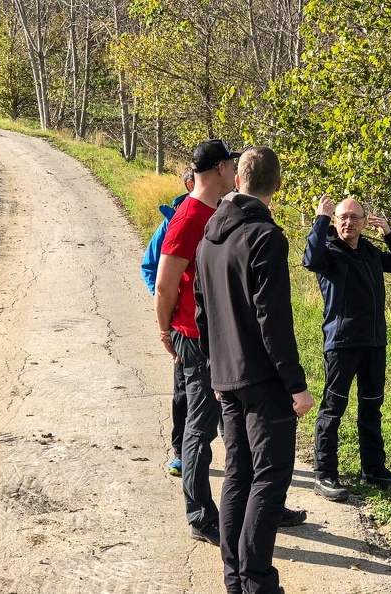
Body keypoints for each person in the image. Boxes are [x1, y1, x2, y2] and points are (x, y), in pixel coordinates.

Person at [194, 146, 314, 594]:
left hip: (226, 377)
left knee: (238, 475)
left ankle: (236, 580)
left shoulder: (209, 237)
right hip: (263, 381)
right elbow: (273, 319)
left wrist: (216, 363)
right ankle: (257, 582)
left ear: (238, 179)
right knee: (269, 477)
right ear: (277, 186)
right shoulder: (266, 236)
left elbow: (202, 313)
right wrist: (295, 385)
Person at [302, 194, 391, 502]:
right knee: (333, 409)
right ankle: (325, 474)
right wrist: (320, 219)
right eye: (342, 217)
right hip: (342, 344)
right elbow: (309, 260)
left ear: (365, 222)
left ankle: (374, 468)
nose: (348, 222)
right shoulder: (327, 251)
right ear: (335, 221)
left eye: (354, 217)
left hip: (374, 342)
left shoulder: (369, 252)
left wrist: (390, 234)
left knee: (371, 407)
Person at [155, 139, 239, 545]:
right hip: (195, 340)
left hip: (222, 338)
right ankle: (201, 515)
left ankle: (258, 507)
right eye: (232, 166)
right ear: (221, 169)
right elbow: (165, 284)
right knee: (199, 430)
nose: (235, 173)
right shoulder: (189, 216)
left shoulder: (217, 210)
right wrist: (164, 330)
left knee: (238, 426)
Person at [141, 166, 193, 477]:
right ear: (191, 183)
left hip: (216, 325)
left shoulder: (225, 215)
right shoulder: (173, 222)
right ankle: (180, 452)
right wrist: (167, 306)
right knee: (184, 392)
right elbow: (151, 268)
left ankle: (234, 449)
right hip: (184, 326)